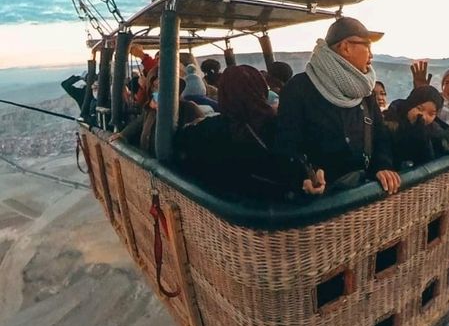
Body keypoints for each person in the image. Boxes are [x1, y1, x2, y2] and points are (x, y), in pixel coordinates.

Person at [274, 17, 400, 196]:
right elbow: (286, 145)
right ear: (346, 47)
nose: (371, 55)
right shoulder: (299, 89)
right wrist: (306, 175)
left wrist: (382, 166)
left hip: (363, 196)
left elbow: (380, 136)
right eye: (367, 46)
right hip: (324, 206)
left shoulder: (365, 91)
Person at [176, 65, 296, 198]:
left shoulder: (206, 130)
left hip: (220, 209)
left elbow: (178, 146)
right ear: (261, 89)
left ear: (223, 93)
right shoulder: (281, 125)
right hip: (277, 205)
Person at [113, 66, 203, 156]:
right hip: (148, 164)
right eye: (155, 87)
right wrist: (122, 135)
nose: (159, 90)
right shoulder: (149, 110)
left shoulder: (188, 108)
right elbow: (137, 124)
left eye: (163, 86)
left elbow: (201, 136)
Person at [384, 85, 449, 167]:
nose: (423, 116)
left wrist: (423, 140)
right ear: (410, 105)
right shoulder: (389, 124)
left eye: (431, 114)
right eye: (419, 109)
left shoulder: (437, 132)